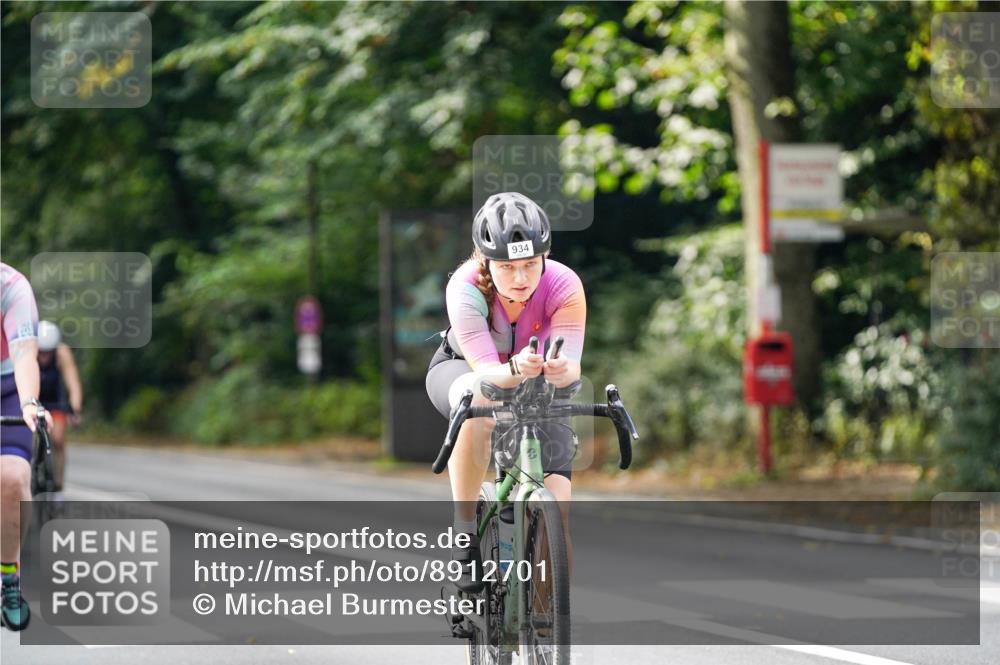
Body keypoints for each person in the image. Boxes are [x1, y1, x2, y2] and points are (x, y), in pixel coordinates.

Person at [425, 192, 586, 592]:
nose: (521, 278)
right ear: (486, 262)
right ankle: (464, 536)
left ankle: (544, 627)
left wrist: (563, 370)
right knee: (478, 399)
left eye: (531, 264)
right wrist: (515, 369)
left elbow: (571, 366)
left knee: (557, 510)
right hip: (465, 371)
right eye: (508, 266)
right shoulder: (465, 288)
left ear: (545, 257)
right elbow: (490, 376)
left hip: (535, 381)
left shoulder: (564, 285)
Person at [0, 262, 51, 631]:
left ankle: (9, 576)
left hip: (6, 390)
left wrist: (30, 403)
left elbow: (23, 353)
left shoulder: (12, 286)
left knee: (14, 478)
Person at [37, 320, 83, 492]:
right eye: (41, 352)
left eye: (48, 353)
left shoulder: (62, 353)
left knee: (57, 440)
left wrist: (75, 409)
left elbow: (73, 384)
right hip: (34, 401)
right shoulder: (28, 351)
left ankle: (58, 487)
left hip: (56, 402)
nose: (43, 357)